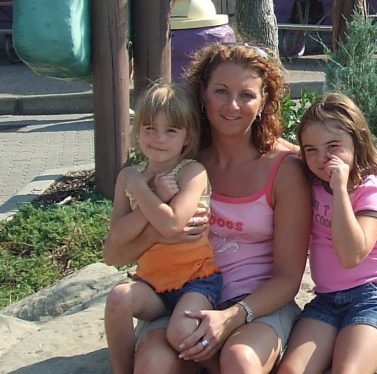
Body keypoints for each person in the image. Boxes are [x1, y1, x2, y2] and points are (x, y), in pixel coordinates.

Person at [102, 42, 312, 374]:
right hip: (180, 296)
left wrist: (231, 317)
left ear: (264, 102)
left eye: (246, 95)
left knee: (240, 360)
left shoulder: (285, 168)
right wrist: (161, 230)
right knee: (153, 364)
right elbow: (114, 255)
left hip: (256, 305)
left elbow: (288, 278)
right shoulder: (182, 161)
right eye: (221, 91)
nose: (232, 105)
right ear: (202, 95)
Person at [278, 93, 377, 374]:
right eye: (310, 149)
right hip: (328, 301)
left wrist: (340, 189)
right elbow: (278, 148)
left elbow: (352, 254)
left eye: (333, 146)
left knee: (346, 370)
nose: (322, 157)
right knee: (291, 370)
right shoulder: (311, 181)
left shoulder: (373, 190)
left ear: (357, 141)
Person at [104, 82, 222, 374]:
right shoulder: (129, 176)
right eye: (149, 128)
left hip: (196, 282)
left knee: (180, 331)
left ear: (187, 136)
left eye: (171, 130)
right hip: (151, 285)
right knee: (118, 298)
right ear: (137, 129)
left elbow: (171, 224)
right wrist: (151, 194)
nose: (158, 138)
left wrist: (145, 193)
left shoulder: (192, 172)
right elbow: (116, 239)